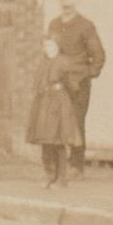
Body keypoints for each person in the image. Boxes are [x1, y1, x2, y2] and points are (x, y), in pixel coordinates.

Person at [47, 0, 105, 175]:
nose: (66, 4)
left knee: (76, 122)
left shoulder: (85, 26)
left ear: (77, 1)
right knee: (55, 123)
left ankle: (76, 166)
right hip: (57, 83)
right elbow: (49, 52)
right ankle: (58, 165)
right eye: (63, 0)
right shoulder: (54, 24)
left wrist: (84, 74)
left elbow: (98, 57)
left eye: (70, 0)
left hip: (78, 84)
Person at [27, 35, 84, 188]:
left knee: (58, 141)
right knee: (46, 142)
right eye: (45, 46)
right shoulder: (43, 63)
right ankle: (50, 175)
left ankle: (61, 179)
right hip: (44, 104)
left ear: (57, 47)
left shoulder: (64, 62)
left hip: (59, 104)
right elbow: (38, 84)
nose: (48, 49)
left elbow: (72, 86)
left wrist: (70, 102)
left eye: (51, 46)